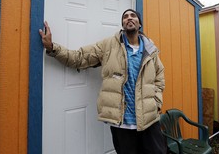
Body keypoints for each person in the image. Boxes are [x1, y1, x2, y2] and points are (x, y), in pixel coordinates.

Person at [39, 9, 166, 154]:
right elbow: (79, 57)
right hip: (122, 124)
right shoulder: (109, 45)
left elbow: (159, 76)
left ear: (139, 23)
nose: (129, 18)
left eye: (133, 16)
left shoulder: (150, 50)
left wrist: (156, 101)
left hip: (149, 120)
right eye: (125, 17)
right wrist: (52, 47)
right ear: (123, 24)